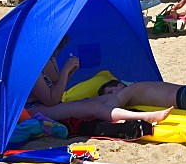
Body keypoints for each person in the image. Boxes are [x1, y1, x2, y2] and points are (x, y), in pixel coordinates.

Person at [25, 37, 173, 126]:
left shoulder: (48, 60)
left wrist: (70, 72)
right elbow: (51, 100)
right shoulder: (32, 68)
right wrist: (65, 71)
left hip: (51, 105)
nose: (56, 54)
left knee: (109, 98)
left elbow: (57, 91)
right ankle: (144, 117)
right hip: (37, 110)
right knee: (94, 106)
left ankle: (108, 114)